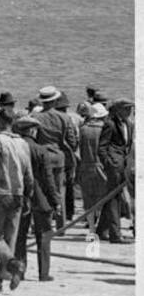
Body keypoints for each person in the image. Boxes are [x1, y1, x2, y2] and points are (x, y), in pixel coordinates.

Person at [0, 110, 33, 292]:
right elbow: (28, 175)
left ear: (0, 122)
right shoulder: (23, 143)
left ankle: (13, 265)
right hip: (18, 194)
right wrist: (27, 197)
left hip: (0, 193)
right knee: (10, 239)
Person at [13, 115, 59, 281]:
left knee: (20, 237)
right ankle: (43, 273)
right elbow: (48, 180)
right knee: (44, 237)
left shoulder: (14, 149)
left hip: (19, 197)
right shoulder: (41, 150)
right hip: (40, 199)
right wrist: (55, 201)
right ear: (33, 130)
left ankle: (20, 270)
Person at [29, 86, 76, 234]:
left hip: (42, 155)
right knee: (59, 190)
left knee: (42, 190)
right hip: (58, 155)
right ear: (55, 100)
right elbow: (72, 141)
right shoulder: (64, 117)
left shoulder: (35, 117)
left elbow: (32, 138)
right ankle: (61, 225)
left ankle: (46, 223)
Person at [96, 99, 133, 244]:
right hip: (114, 166)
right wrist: (109, 163)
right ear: (118, 110)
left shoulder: (129, 124)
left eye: (130, 109)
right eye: (126, 108)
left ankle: (101, 231)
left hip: (124, 165)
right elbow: (102, 147)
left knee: (111, 198)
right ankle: (115, 234)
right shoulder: (110, 124)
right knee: (114, 199)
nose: (129, 111)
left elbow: (126, 145)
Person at [76, 101, 109, 235]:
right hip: (101, 166)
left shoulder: (83, 129)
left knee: (88, 200)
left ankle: (91, 229)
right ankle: (102, 229)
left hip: (86, 166)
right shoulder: (104, 129)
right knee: (104, 198)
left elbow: (79, 150)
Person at [54, 92, 82, 225]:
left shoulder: (49, 117)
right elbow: (73, 141)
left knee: (54, 185)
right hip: (67, 157)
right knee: (68, 186)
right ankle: (68, 214)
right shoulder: (68, 119)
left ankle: (57, 213)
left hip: (51, 156)